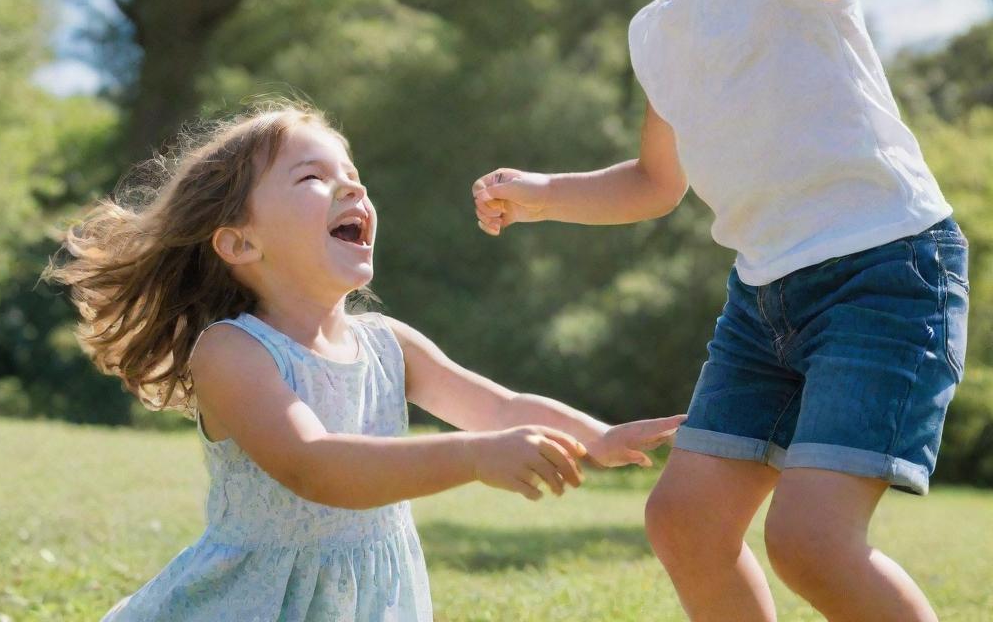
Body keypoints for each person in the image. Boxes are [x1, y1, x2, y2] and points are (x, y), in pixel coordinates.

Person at [472, 0, 980, 622]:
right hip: (765, 299)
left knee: (811, 543)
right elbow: (657, 182)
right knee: (686, 521)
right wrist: (544, 193)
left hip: (884, 273)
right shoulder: (656, 31)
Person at [45, 99, 683, 621]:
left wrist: (596, 436)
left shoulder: (387, 343)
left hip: (371, 599)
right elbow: (314, 466)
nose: (350, 185)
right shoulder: (233, 352)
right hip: (252, 604)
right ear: (240, 241)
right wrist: (472, 457)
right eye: (312, 177)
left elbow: (497, 406)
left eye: (353, 176)